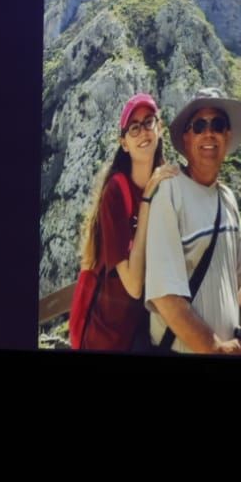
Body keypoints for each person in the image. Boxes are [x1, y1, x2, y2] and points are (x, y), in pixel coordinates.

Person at [143, 87, 241, 355]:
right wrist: (215, 348)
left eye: (218, 124)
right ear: (186, 137)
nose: (209, 133)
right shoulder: (169, 192)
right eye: (199, 125)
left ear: (227, 135)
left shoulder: (227, 199)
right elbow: (165, 296)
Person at [73, 92, 178, 351]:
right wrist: (146, 202)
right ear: (124, 143)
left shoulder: (167, 186)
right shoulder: (116, 192)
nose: (143, 132)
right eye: (134, 127)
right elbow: (132, 286)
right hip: (105, 339)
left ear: (159, 128)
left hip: (144, 333)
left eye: (149, 122)